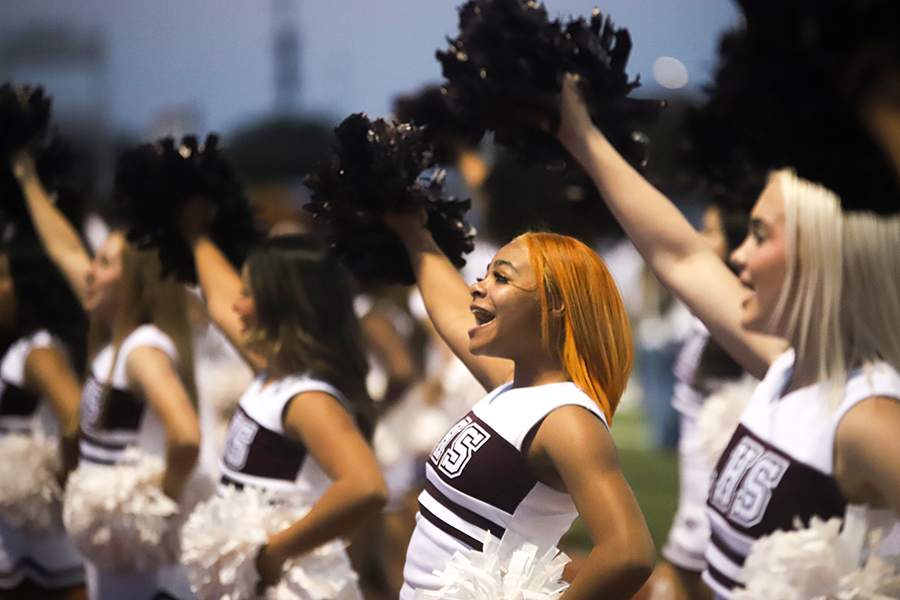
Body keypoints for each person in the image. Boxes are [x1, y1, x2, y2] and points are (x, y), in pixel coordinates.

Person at [557, 74, 900, 600]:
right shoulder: (789, 367)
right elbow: (681, 256)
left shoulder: (869, 418)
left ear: (824, 257)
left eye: (760, 235)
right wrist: (579, 135)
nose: (737, 255)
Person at [383, 210, 655, 600]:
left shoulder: (566, 420)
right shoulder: (515, 389)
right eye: (485, 274)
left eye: (502, 277)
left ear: (556, 304)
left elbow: (629, 553)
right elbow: (451, 311)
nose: (477, 286)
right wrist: (410, 229)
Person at [11, 151, 202, 600]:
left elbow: (187, 438)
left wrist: (150, 506)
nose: (88, 272)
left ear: (136, 281)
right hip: (113, 555)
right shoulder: (117, 339)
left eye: (103, 263)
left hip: (140, 558)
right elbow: (63, 249)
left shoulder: (142, 350)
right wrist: (26, 176)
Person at [180, 211, 388, 597]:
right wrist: (196, 234)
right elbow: (220, 300)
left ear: (278, 306)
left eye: (248, 294)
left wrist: (274, 553)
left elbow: (367, 487)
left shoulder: (306, 398)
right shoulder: (272, 373)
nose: (237, 306)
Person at [0, 234, 86, 599]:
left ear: (27, 286)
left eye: (2, 275)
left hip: (44, 546)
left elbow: (77, 420)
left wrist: (66, 484)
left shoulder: (38, 351)